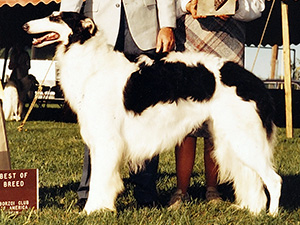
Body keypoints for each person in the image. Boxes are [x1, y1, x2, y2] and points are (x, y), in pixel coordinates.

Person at [59, 0, 176, 209]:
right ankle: (89, 193)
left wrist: (167, 24)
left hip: (145, 29)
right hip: (99, 29)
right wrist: (64, 21)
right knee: (97, 119)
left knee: (146, 117)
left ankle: (145, 194)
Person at [168, 0, 265, 209]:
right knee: (186, 120)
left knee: (221, 122)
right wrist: (188, 5)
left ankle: (213, 189)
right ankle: (180, 191)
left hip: (229, 44)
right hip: (190, 41)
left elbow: (258, 7)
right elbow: (169, 5)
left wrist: (236, 7)